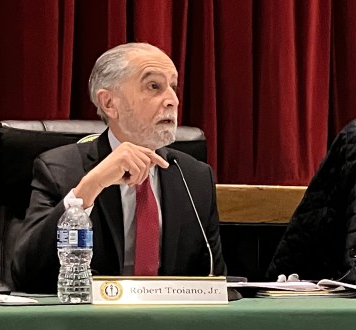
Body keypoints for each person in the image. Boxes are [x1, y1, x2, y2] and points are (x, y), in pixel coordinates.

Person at [12, 43, 226, 292]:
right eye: (154, 86)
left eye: (173, 87)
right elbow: (26, 274)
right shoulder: (60, 170)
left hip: (172, 326)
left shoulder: (193, 177)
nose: (172, 100)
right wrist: (90, 187)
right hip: (90, 324)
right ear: (109, 103)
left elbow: (214, 282)